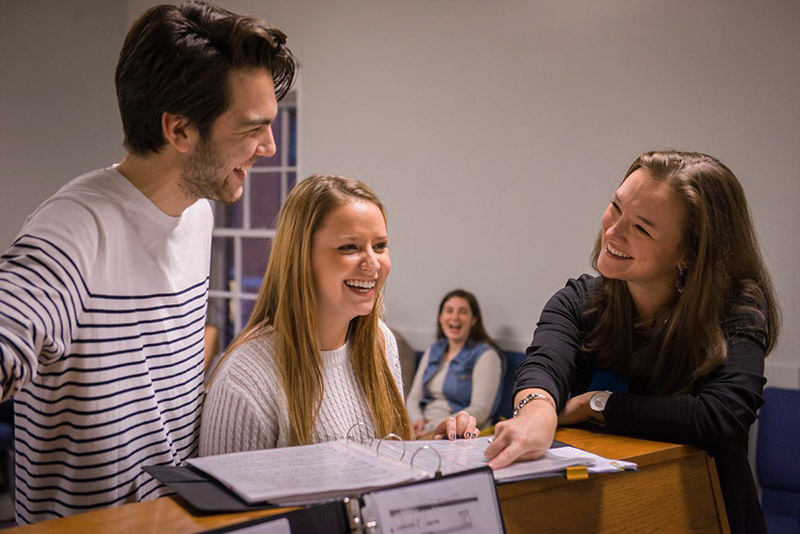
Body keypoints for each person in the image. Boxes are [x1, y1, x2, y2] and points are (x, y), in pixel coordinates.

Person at [0, 1, 296, 523]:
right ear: (179, 131)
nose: (269, 147)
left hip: (177, 518)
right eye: (252, 128)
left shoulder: (199, 214)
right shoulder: (74, 227)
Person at [484, 150, 780, 534]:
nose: (612, 231)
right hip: (601, 512)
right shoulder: (579, 300)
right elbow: (544, 365)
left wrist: (598, 404)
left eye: (641, 228)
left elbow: (721, 418)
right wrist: (536, 410)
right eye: (615, 206)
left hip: (706, 513)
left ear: (689, 255)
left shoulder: (737, 307)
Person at [200, 176, 477, 455]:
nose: (373, 264)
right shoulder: (245, 378)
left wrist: (435, 449)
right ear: (301, 258)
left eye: (380, 246)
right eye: (349, 247)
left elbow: (382, 464)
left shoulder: (382, 343)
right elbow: (222, 498)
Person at [406, 290, 504, 438]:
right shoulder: (433, 350)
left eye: (463, 312)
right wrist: (417, 421)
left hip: (455, 430)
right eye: (449, 311)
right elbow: (413, 397)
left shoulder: (486, 355)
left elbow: (481, 410)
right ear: (441, 317)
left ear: (474, 320)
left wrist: (432, 427)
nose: (455, 317)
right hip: (421, 426)